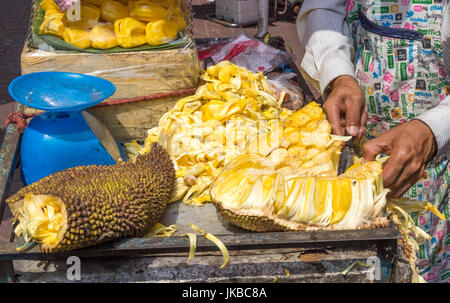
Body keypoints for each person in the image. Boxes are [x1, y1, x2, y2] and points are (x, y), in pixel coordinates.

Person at [297, 0, 449, 282]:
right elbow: (324, 9)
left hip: (433, 177)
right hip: (354, 158)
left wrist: (433, 130)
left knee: (413, 265)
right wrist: (338, 74)